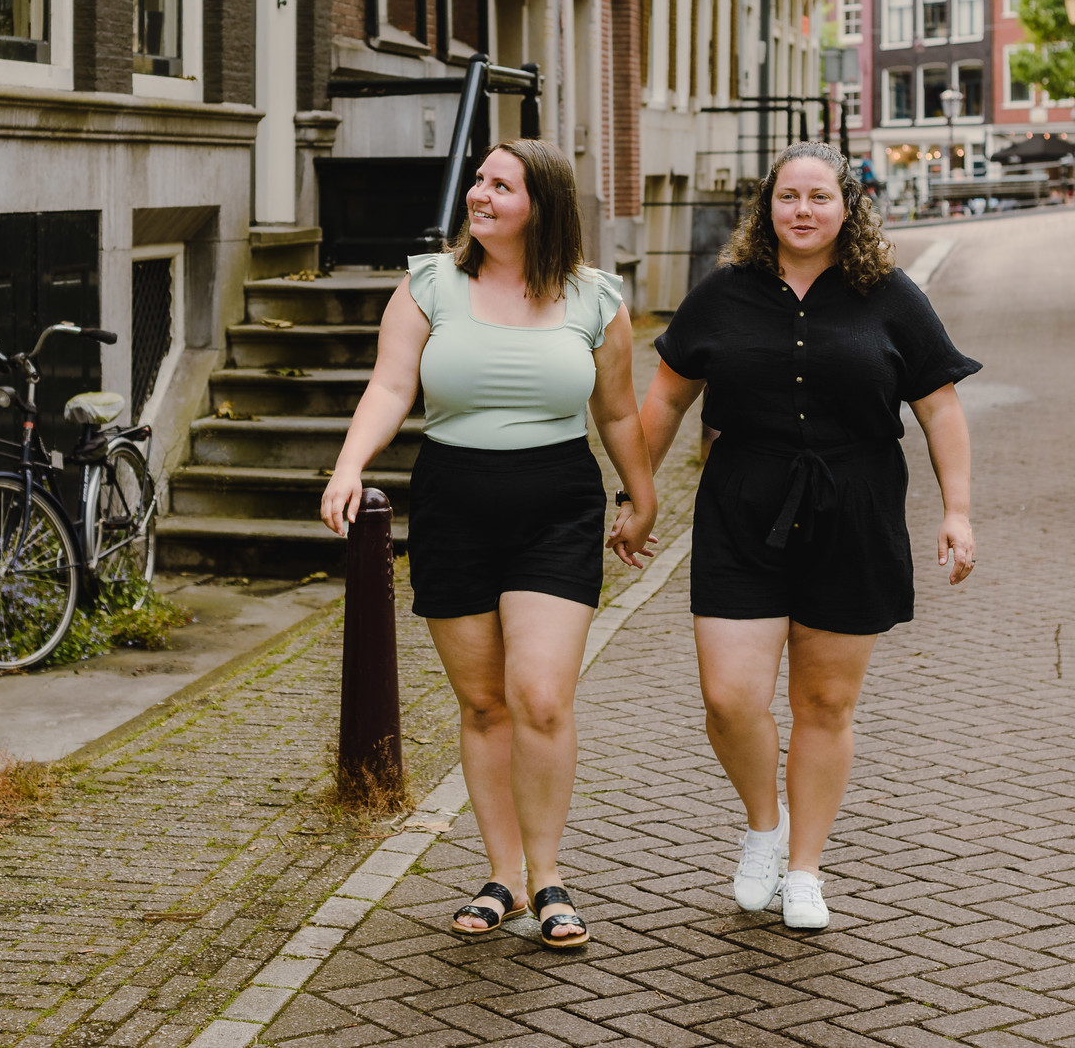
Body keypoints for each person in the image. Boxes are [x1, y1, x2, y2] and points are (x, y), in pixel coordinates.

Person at [321, 138, 658, 951]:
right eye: (478, 180)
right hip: (454, 505)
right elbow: (391, 385)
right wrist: (347, 465)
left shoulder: (592, 298)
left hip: (557, 508)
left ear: (539, 203)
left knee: (540, 696)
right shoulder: (430, 285)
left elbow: (616, 412)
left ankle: (548, 877)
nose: (479, 193)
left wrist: (641, 496)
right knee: (483, 704)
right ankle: (501, 872)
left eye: (500, 184)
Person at [640, 141, 979, 931]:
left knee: (825, 701)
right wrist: (640, 492)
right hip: (741, 509)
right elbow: (664, 398)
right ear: (767, 206)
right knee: (729, 699)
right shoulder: (723, 294)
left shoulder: (889, 295)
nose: (802, 211)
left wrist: (957, 510)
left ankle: (805, 869)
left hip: (854, 508)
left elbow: (940, 408)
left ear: (848, 206)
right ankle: (765, 826)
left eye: (820, 197)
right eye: (788, 197)